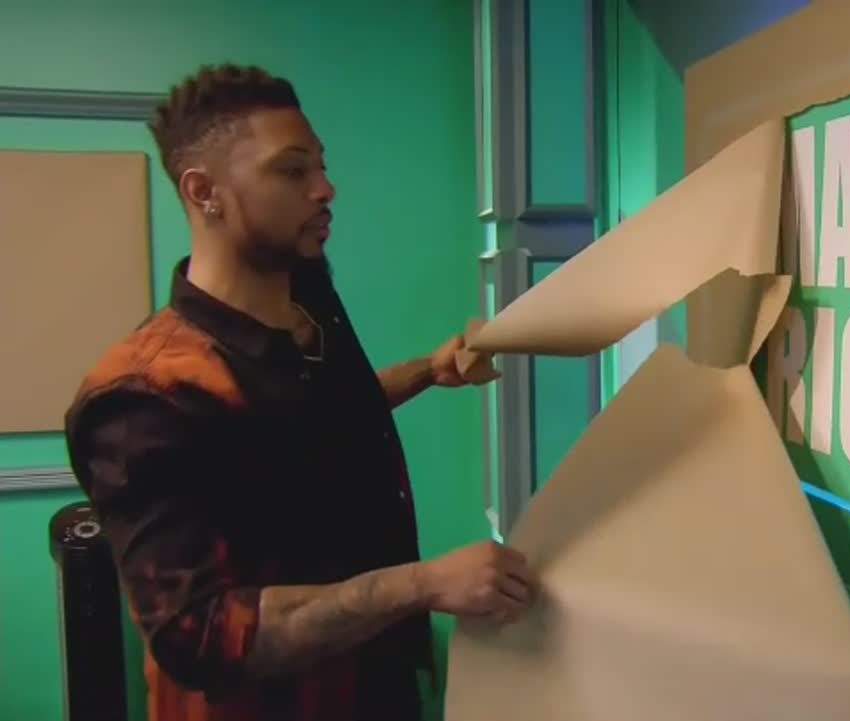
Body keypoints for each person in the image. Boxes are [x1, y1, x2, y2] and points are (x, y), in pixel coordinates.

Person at [63, 63, 535, 721]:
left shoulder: (307, 297)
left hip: (379, 689)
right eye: (292, 171)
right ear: (204, 192)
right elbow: (198, 635)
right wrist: (424, 584)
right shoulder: (143, 397)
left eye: (321, 166)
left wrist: (428, 370)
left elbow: (306, 422)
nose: (325, 188)